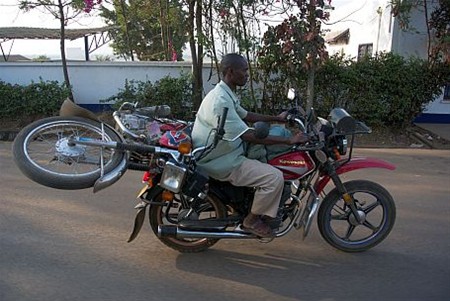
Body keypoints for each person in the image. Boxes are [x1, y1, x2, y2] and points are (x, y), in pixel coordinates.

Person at [191, 53, 308, 238]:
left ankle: (257, 205)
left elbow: (246, 115)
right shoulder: (220, 102)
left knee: (273, 146)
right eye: (244, 70)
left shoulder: (225, 93)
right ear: (231, 72)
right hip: (222, 160)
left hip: (227, 150)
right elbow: (250, 135)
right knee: (274, 177)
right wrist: (289, 140)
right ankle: (251, 221)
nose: (247, 74)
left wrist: (276, 119)